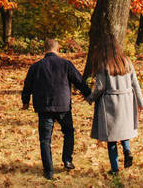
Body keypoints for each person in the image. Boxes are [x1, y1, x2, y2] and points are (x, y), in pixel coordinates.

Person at [21, 38, 91, 180]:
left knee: (45, 139)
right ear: (57, 48)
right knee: (69, 132)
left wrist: (26, 101)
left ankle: (49, 170)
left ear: (44, 49)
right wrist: (88, 95)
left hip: (44, 106)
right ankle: (67, 159)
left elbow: (27, 85)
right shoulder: (66, 64)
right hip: (63, 106)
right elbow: (79, 80)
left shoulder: (36, 67)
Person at [86, 35, 143, 175]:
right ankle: (127, 150)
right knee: (123, 130)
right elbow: (135, 84)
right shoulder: (127, 61)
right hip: (127, 100)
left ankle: (115, 169)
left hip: (110, 102)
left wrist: (90, 98)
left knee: (111, 137)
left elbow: (100, 87)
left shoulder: (103, 64)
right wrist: (141, 102)